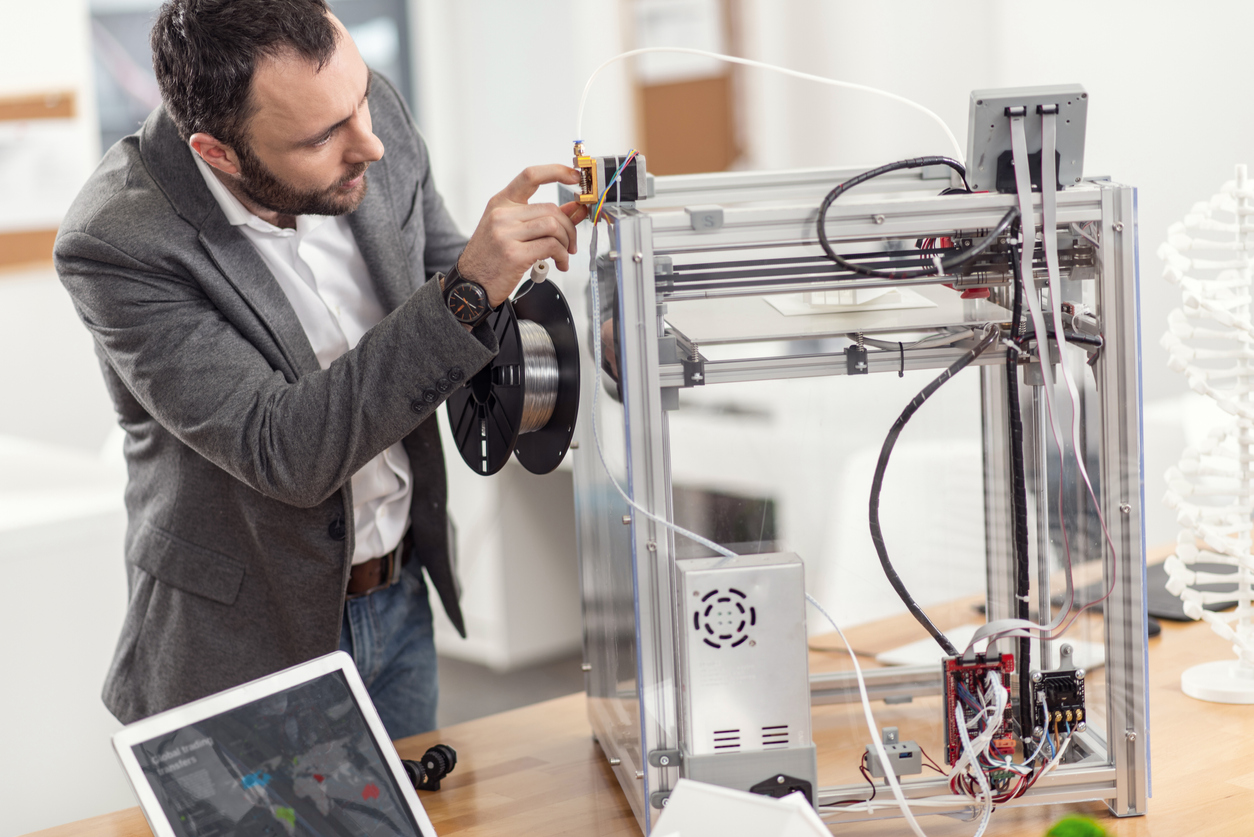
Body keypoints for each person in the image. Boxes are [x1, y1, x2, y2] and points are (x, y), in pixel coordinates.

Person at [55, 0, 587, 738]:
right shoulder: (118, 242)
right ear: (219, 152)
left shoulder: (367, 118)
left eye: (362, 97)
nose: (368, 142)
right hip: (242, 643)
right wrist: (465, 289)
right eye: (323, 136)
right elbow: (288, 449)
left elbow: (451, 291)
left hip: (400, 604)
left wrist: (583, 307)